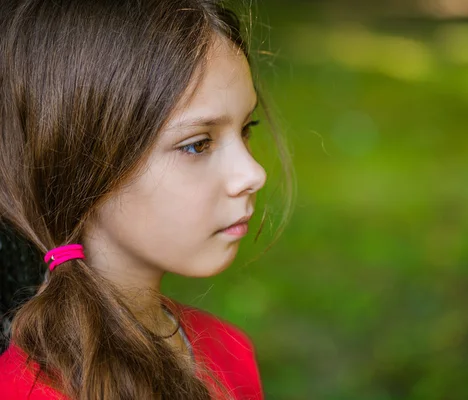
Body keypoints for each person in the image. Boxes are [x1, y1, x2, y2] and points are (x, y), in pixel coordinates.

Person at [0, 0, 292, 398]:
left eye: (246, 128)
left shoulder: (230, 352)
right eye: (197, 144)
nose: (253, 173)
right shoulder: (23, 390)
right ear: (79, 161)